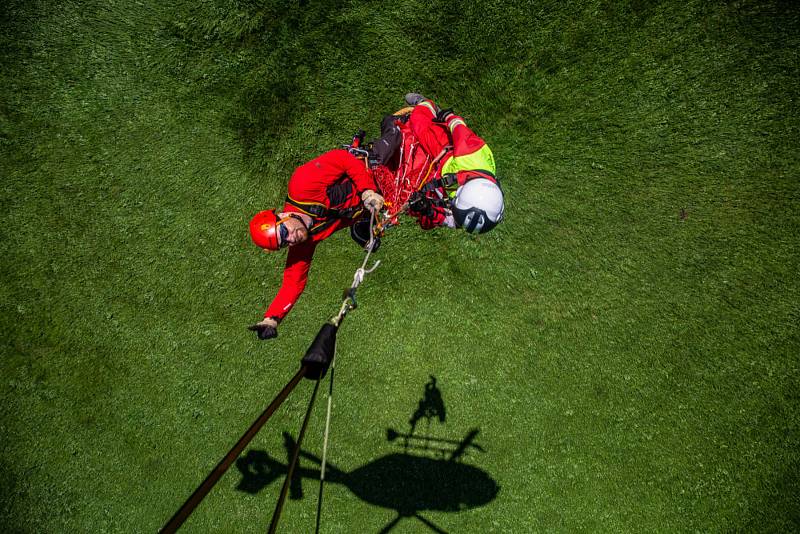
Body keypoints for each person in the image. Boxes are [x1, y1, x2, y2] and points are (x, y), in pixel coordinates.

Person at [248, 148, 384, 340]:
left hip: (373, 174)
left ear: (283, 216)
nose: (290, 240)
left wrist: (367, 191)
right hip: (369, 208)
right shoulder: (302, 243)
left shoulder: (301, 184)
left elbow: (342, 158)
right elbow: (292, 284)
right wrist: (271, 319)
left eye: (285, 232)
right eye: (283, 244)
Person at [372, 93, 504, 234]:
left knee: (409, 190)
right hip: (443, 150)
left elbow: (452, 220)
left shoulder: (478, 204)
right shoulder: (471, 155)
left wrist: (429, 211)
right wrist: (447, 116)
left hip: (444, 173)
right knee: (418, 123)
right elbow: (458, 128)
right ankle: (426, 104)